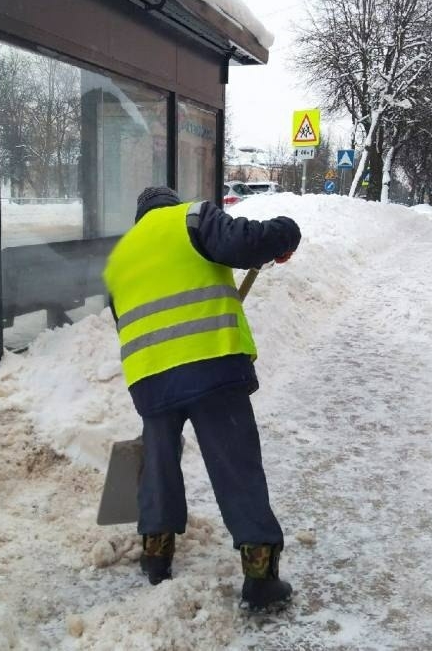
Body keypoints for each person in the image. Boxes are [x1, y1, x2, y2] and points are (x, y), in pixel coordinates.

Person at [102, 186, 301, 611]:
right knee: (235, 466)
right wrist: (286, 232)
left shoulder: (120, 257)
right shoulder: (191, 219)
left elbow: (123, 317)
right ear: (170, 206)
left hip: (151, 379)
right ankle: (260, 577)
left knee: (158, 463)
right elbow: (242, 243)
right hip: (210, 366)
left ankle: (156, 556)